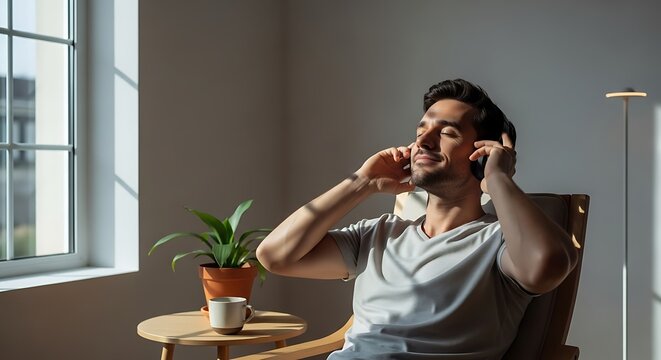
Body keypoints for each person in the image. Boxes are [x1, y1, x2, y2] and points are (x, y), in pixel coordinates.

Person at [256, 79, 578, 359]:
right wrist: (362, 183)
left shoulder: (498, 244)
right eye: (421, 130)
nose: (423, 141)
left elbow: (546, 266)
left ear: (482, 156)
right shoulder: (379, 234)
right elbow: (275, 255)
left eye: (447, 132)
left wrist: (498, 180)